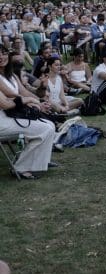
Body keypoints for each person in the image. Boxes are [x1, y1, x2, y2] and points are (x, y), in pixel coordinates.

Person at [0, 46, 56, 180]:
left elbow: (23, 92)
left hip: (10, 115)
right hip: (3, 120)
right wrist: (31, 101)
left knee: (50, 125)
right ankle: (21, 168)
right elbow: (10, 97)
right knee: (45, 129)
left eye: (3, 53)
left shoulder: (12, 75)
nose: (1, 57)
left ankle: (40, 162)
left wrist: (40, 101)